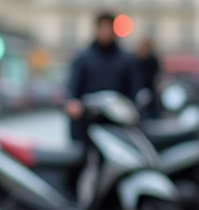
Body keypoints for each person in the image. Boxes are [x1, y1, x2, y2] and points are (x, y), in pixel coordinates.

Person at [65, 12, 142, 141]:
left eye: (108, 27)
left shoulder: (126, 60)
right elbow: (72, 87)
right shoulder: (83, 58)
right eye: (102, 27)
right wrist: (72, 103)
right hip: (88, 119)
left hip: (117, 121)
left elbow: (134, 89)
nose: (105, 32)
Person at [135, 37, 161, 118]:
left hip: (151, 91)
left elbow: (156, 76)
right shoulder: (136, 60)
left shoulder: (153, 60)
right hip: (139, 89)